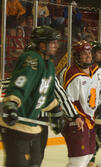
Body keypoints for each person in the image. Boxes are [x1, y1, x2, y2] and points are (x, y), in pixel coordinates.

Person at [0, 25, 65, 167]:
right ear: (42, 44)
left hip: (31, 124)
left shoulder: (49, 65)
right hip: (16, 125)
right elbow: (19, 84)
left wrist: (56, 111)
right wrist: (11, 102)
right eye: (52, 42)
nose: (56, 45)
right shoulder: (31, 59)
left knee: (35, 163)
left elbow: (45, 94)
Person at [61, 40, 101, 167]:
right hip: (76, 119)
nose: (88, 56)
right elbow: (69, 100)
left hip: (90, 120)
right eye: (84, 53)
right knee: (79, 160)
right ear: (77, 56)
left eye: (89, 53)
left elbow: (100, 93)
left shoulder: (97, 70)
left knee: (90, 155)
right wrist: (76, 117)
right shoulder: (72, 73)